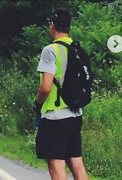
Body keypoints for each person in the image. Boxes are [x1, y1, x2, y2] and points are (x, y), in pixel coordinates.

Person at [33, 9, 89, 180]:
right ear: (69, 27)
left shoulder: (50, 50)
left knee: (56, 164)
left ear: (52, 25)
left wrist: (38, 104)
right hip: (75, 113)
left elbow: (45, 88)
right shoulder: (78, 49)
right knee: (76, 163)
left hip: (56, 115)